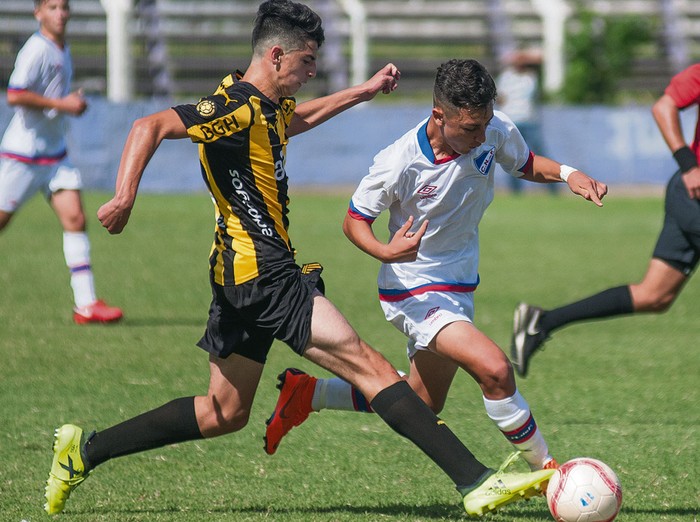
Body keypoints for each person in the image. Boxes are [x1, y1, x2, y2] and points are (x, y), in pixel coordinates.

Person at [43, 2, 557, 517]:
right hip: (265, 273)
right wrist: (124, 195)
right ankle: (475, 481)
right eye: (307, 61)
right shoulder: (236, 107)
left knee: (223, 412)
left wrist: (363, 90)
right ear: (275, 55)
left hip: (235, 275)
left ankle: (83, 453)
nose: (312, 72)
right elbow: (147, 125)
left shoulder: (264, 108)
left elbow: (296, 120)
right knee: (371, 366)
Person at [263, 58, 608, 492]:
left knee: (418, 402)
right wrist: (386, 250)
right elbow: (354, 221)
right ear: (438, 115)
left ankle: (308, 393)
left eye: (484, 125)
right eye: (470, 129)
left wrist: (568, 174)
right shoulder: (398, 162)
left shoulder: (491, 128)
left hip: (459, 285)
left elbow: (524, 163)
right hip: (413, 289)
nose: (482, 137)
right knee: (495, 370)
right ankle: (551, 477)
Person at [511, 62, 700, 377]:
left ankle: (542, 322)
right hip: (694, 194)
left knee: (655, 295)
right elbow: (664, 106)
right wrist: (689, 166)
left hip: (687, 197)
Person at [0, 0, 123, 324]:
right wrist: (63, 104)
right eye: (52, 7)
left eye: (64, 7)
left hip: (55, 154)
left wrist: (69, 103)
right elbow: (14, 94)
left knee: (76, 219)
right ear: (37, 12)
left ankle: (86, 305)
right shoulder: (36, 49)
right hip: (23, 155)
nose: (61, 13)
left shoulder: (61, 47)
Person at [495, 49, 557, 195]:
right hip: (511, 121)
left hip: (530, 120)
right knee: (511, 156)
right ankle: (516, 190)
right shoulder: (505, 77)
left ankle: (552, 187)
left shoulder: (531, 77)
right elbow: (500, 97)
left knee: (540, 154)